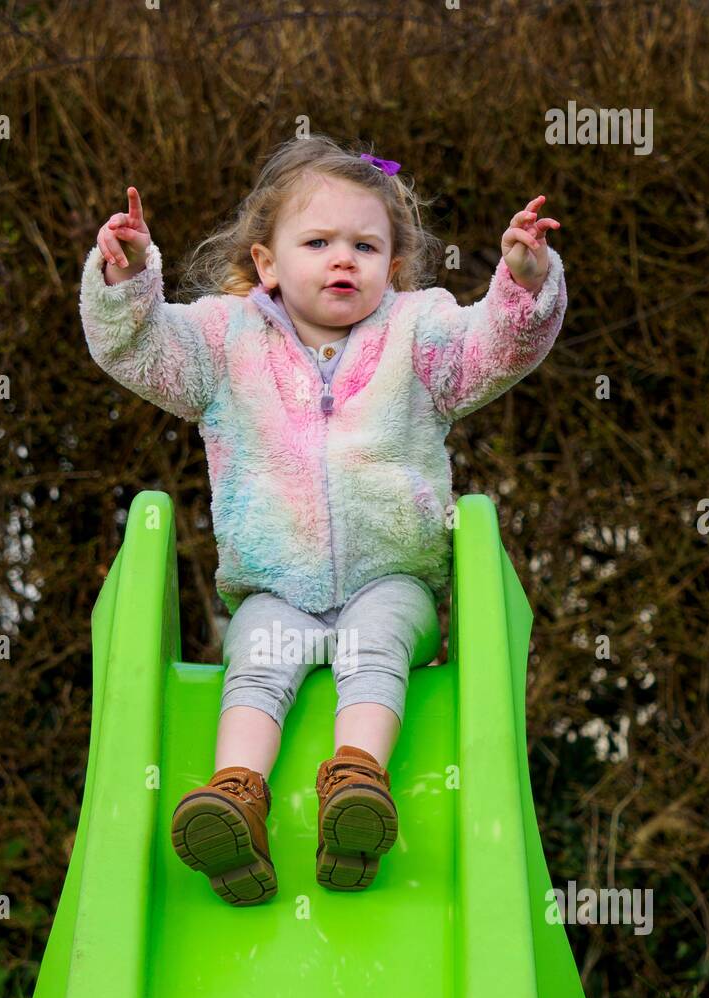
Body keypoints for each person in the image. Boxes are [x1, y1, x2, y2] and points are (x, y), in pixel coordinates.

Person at [80, 133, 565, 906]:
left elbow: (494, 349)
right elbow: (139, 348)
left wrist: (522, 284)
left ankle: (357, 784)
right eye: (318, 242)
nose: (344, 259)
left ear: (394, 266)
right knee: (258, 661)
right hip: (275, 583)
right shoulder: (222, 342)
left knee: (374, 644)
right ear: (267, 262)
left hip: (392, 578)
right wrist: (128, 279)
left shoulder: (419, 334)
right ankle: (235, 795)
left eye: (365, 246)